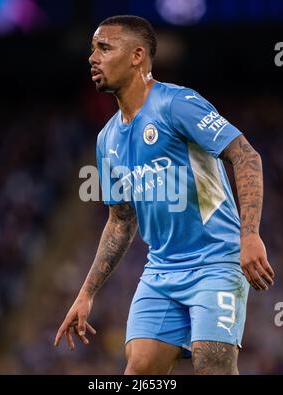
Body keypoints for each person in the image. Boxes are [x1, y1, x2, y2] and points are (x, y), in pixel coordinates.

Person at [54, 15, 275, 375]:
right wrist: (86, 294)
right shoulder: (107, 139)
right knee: (139, 370)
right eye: (92, 49)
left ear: (137, 56)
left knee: (213, 362)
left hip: (216, 262)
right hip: (161, 271)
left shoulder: (177, 104)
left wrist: (249, 234)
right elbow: (121, 221)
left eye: (104, 47)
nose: (92, 58)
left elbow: (246, 155)